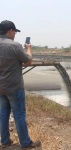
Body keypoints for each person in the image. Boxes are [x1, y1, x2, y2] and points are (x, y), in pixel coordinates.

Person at [0, 20, 41, 149]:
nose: (15, 35)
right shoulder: (14, 45)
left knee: (2, 115)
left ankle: (5, 141)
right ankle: (25, 142)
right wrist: (28, 48)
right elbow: (28, 61)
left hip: (0, 88)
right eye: (15, 32)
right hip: (14, 87)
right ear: (10, 31)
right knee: (19, 115)